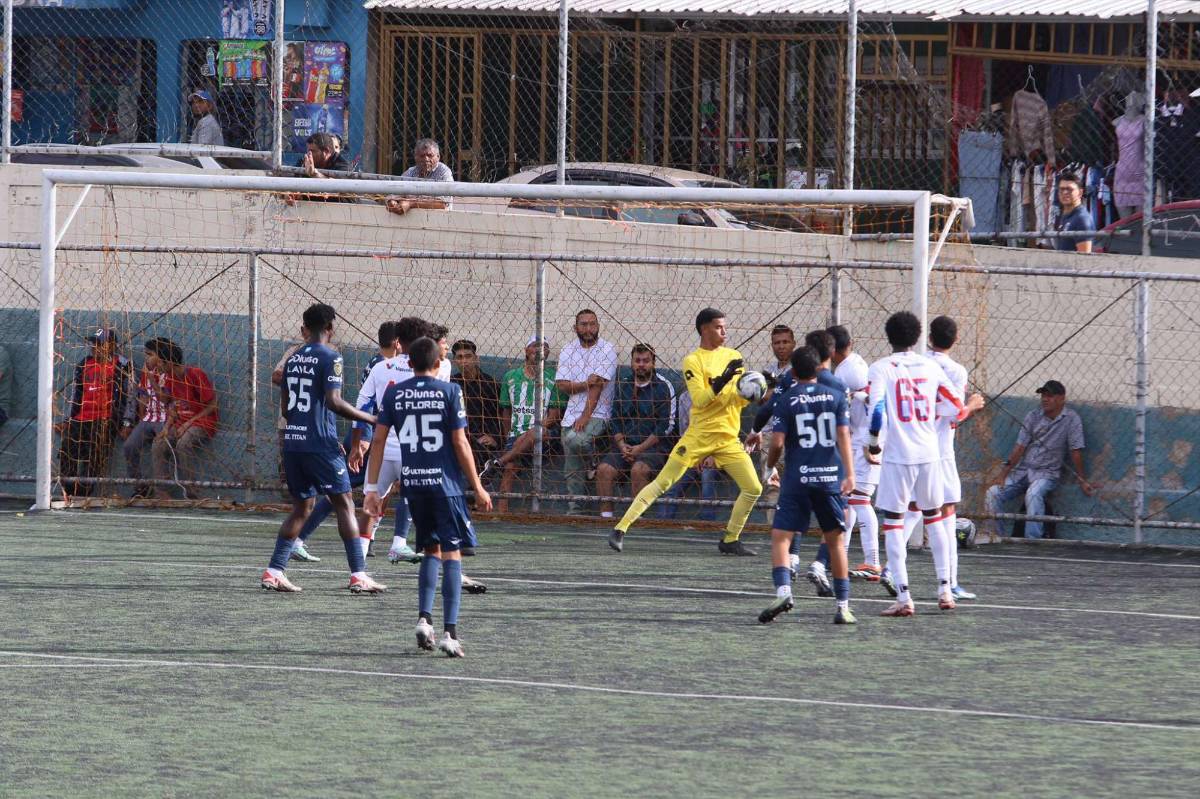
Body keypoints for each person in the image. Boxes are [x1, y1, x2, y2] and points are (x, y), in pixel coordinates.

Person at [365, 336, 493, 657]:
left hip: (414, 485)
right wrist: (477, 486)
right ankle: (450, 633)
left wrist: (371, 489)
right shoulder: (450, 391)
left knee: (430, 549)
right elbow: (461, 443)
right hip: (445, 486)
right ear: (439, 364)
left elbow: (378, 442)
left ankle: (424, 618)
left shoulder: (395, 393)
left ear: (409, 363)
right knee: (452, 554)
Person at [608, 307, 762, 556]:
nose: (725, 331)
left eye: (724, 326)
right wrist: (721, 381)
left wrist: (756, 390)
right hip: (698, 438)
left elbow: (739, 400)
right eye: (719, 326)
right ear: (705, 329)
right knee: (663, 482)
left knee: (753, 488)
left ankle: (731, 539)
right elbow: (700, 400)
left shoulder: (734, 356)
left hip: (728, 439)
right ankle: (620, 529)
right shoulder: (693, 361)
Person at [260, 303, 385, 595]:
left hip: (292, 442)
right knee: (344, 503)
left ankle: (274, 571)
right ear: (331, 328)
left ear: (304, 328)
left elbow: (286, 409)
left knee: (303, 506)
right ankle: (358, 575)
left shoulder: (291, 360)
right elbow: (334, 402)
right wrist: (371, 418)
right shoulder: (331, 356)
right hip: (319, 444)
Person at [866, 311, 969, 617]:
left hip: (898, 456)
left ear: (888, 336)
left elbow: (877, 410)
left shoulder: (881, 368)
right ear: (917, 336)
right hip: (929, 453)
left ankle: (904, 596)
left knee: (894, 523)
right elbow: (956, 406)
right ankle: (944, 590)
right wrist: (930, 414)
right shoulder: (930, 366)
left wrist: (873, 444)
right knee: (934, 518)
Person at [757, 346, 857, 626]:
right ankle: (843, 606)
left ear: (792, 371)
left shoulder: (787, 399)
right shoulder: (837, 396)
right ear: (817, 369)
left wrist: (770, 467)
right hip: (829, 478)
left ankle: (784, 591)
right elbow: (843, 437)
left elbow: (776, 443)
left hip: (798, 479)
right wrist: (849, 474)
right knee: (836, 541)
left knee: (781, 536)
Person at [289, 321, 399, 563]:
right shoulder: (386, 366)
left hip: (371, 433)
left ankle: (370, 540)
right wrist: (365, 439)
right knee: (340, 492)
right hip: (372, 434)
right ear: (397, 343)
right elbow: (367, 403)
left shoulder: (378, 361)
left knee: (368, 490)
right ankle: (300, 541)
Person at [985, 379, 1092, 540]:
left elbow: (1075, 451)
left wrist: (1082, 479)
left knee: (1033, 494)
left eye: (1050, 396)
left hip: (1047, 473)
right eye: (1043, 395)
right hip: (1023, 471)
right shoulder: (1033, 416)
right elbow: (1019, 448)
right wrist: (1004, 473)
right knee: (992, 493)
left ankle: (1032, 541)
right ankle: (995, 536)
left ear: (1062, 398)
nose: (1044, 399)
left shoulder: (1071, 419)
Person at [926, 316, 986, 600]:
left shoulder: (916, 363)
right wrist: (972, 405)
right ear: (956, 338)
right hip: (939, 448)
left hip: (913, 447)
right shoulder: (955, 371)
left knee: (912, 510)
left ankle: (889, 568)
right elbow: (953, 416)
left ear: (929, 337)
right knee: (946, 511)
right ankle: (949, 582)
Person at [828, 324, 885, 587]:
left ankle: (873, 560)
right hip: (861, 438)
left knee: (860, 500)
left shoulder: (846, 372)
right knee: (849, 499)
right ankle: (840, 552)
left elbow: (875, 405)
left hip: (867, 439)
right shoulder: (854, 364)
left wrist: (871, 442)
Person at [485, 337, 565, 514]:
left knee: (536, 433)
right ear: (526, 350)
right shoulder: (511, 377)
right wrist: (508, 436)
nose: (540, 349)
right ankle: (502, 511)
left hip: (544, 436)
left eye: (545, 347)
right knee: (511, 466)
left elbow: (553, 417)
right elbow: (505, 412)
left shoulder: (554, 379)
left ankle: (497, 462)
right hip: (515, 436)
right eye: (536, 346)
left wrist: (531, 431)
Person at [596, 344, 675, 519]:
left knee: (638, 470)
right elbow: (615, 419)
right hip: (624, 445)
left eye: (645, 361)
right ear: (631, 363)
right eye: (637, 361)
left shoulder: (663, 386)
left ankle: (636, 519)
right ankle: (606, 517)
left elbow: (665, 426)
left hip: (652, 447)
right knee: (604, 470)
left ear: (653, 363)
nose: (641, 365)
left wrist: (640, 448)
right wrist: (622, 445)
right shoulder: (624, 384)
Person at [554, 309, 619, 515]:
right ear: (576, 327)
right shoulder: (568, 350)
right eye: (584, 324)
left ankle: (593, 460)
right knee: (571, 467)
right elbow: (562, 385)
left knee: (576, 440)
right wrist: (585, 383)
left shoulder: (607, 349)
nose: (589, 328)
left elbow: (597, 385)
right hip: (570, 416)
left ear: (598, 326)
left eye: (592, 324)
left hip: (597, 414)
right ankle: (576, 509)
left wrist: (585, 415)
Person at [58, 328, 134, 498]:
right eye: (94, 343)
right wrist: (68, 419)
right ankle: (69, 491)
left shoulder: (122, 364)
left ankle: (84, 493)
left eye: (100, 344)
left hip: (105, 419)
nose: (95, 347)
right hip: (81, 417)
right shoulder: (84, 364)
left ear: (112, 345)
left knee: (94, 452)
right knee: (65, 450)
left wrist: (127, 422)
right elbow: (75, 394)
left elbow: (130, 396)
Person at [152, 342, 218, 500]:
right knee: (159, 444)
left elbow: (213, 405)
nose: (157, 365)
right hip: (180, 422)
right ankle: (162, 491)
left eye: (160, 362)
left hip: (203, 421)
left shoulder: (195, 374)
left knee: (183, 444)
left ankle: (192, 491)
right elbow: (174, 406)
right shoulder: (170, 378)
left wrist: (189, 424)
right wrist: (167, 428)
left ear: (168, 362)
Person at [657, 390, 721, 522]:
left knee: (707, 475)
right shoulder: (685, 397)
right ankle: (663, 523)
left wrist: (710, 455)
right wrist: (695, 455)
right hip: (692, 451)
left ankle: (707, 524)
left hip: (717, 451)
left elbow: (724, 433)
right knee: (671, 480)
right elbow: (684, 433)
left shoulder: (722, 394)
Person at [122, 338, 170, 498]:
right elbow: (142, 396)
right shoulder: (146, 371)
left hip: (165, 419)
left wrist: (151, 378)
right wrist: (142, 418)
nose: (146, 357)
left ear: (160, 356)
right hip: (149, 418)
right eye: (145, 354)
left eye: (150, 354)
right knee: (129, 446)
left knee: (160, 448)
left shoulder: (169, 372)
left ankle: (162, 490)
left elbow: (165, 399)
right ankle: (140, 487)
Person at [450, 339, 502, 474]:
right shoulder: (450, 384)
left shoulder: (490, 384)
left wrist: (494, 437)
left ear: (476, 358)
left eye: (468, 356)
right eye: (459, 357)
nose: (464, 361)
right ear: (454, 361)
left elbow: (500, 415)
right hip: (456, 436)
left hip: (481, 439)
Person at [386, 138, 454, 215]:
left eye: (430, 155)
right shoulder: (410, 172)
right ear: (415, 157)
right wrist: (392, 202)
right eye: (422, 156)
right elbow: (393, 194)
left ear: (438, 157)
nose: (426, 159)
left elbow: (443, 203)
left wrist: (411, 203)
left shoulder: (444, 172)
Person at [1053, 172, 1095, 254]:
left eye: (1069, 189)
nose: (1065, 192)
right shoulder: (1066, 215)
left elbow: (1084, 259)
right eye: (1061, 189)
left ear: (1080, 193)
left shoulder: (1082, 219)